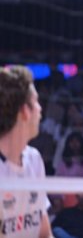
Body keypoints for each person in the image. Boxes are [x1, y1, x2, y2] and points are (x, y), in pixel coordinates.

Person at [0, 66, 52, 238]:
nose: (40, 109)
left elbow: (45, 233)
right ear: (24, 111)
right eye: (36, 101)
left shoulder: (34, 159)